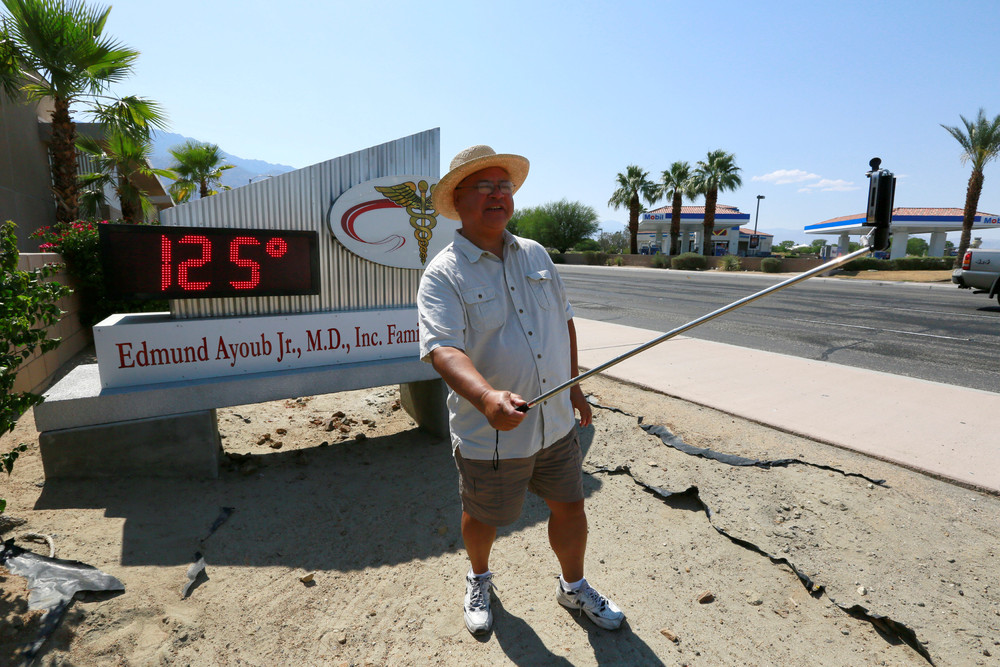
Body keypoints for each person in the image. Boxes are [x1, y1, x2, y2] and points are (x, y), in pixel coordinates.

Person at [417, 145, 625, 636]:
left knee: (570, 506)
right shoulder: (443, 274)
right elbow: (443, 350)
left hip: (554, 423)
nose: (498, 195)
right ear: (458, 200)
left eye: (504, 186)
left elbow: (565, 320)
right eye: (484, 187)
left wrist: (574, 387)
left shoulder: (535, 254)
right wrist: (487, 397)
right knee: (483, 514)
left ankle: (573, 587)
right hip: (491, 434)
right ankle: (478, 576)